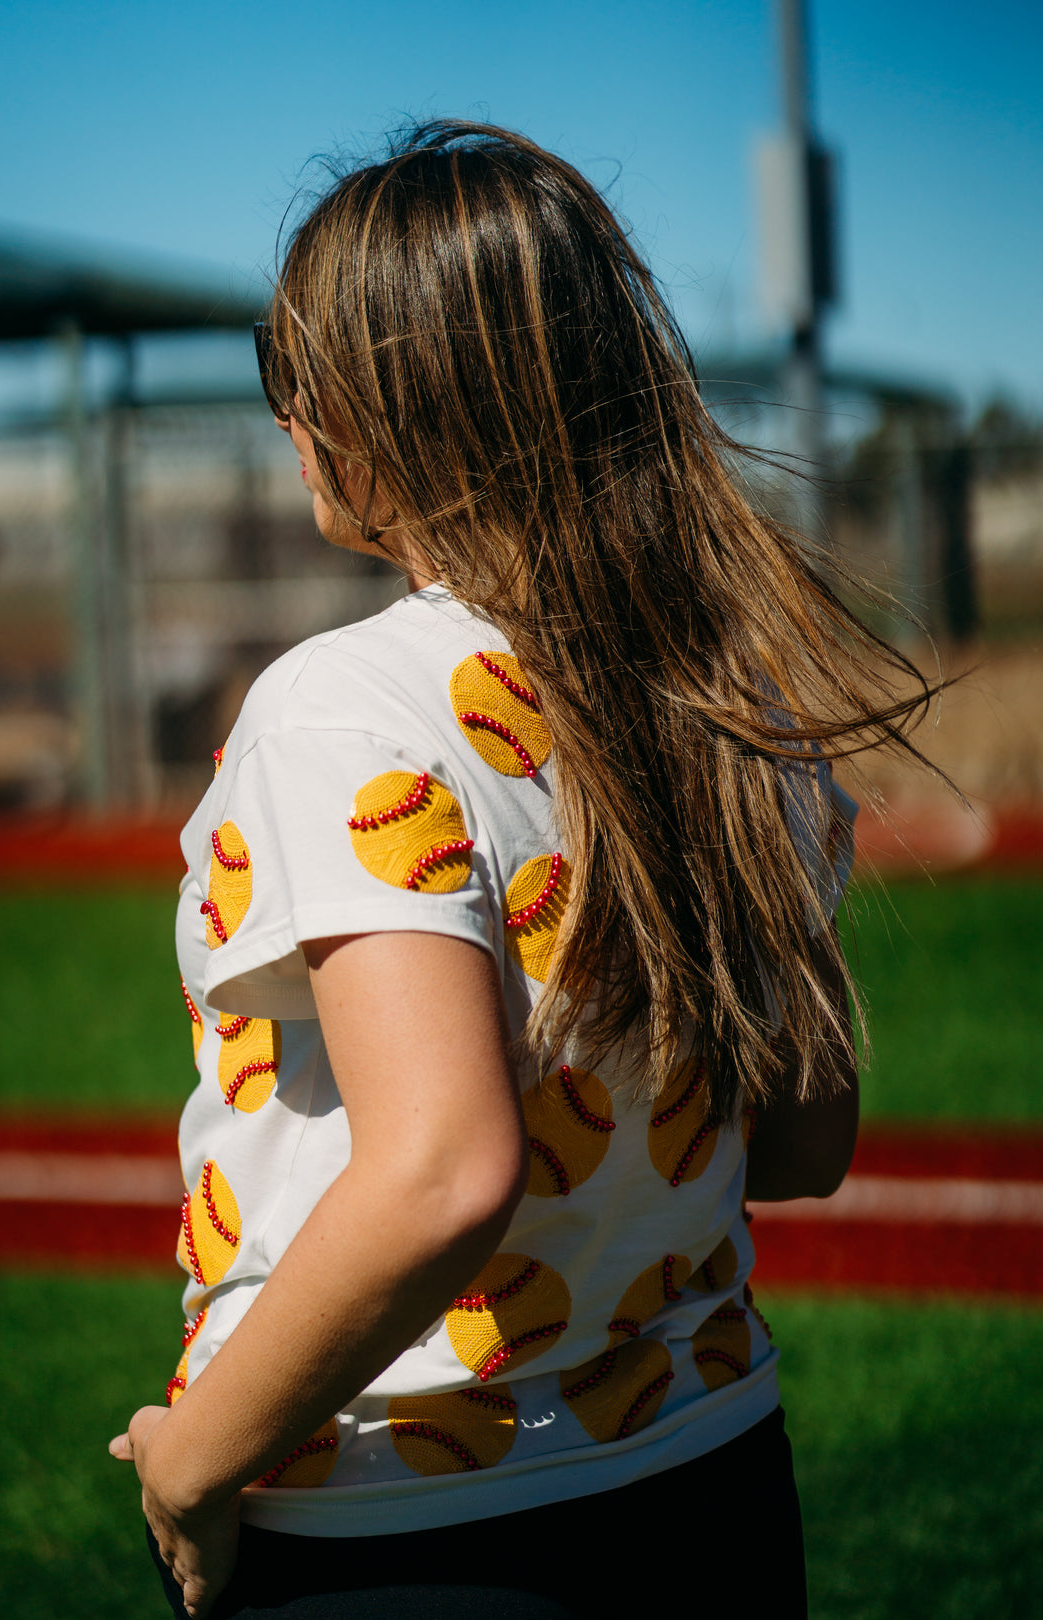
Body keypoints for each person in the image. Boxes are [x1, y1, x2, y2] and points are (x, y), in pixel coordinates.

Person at [110, 120, 932, 1620]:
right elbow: (807, 1147)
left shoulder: (345, 704)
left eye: (290, 371)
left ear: (379, 407)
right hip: (715, 1473)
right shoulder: (729, 689)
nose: (283, 415)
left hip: (410, 1516)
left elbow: (442, 1174)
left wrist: (193, 1463)